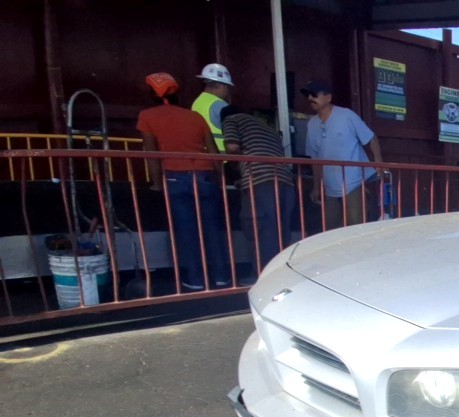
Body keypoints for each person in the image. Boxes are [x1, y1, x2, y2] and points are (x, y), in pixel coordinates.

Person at [136, 72, 230, 292]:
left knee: (187, 231)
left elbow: (153, 155)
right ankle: (222, 277)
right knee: (213, 229)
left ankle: (196, 280)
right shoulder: (195, 117)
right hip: (205, 177)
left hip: (176, 178)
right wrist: (221, 180)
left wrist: (157, 184)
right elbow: (213, 152)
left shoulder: (147, 116)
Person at [222, 106, 296, 274]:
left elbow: (232, 148)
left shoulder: (231, 119)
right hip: (285, 182)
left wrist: (240, 164)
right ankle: (284, 276)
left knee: (261, 232)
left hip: (261, 182)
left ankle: (264, 280)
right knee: (281, 233)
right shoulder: (269, 130)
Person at [302, 79, 383, 228]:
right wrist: (316, 186)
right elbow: (315, 158)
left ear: (328, 97)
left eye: (314, 94)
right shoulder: (312, 124)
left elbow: (371, 138)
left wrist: (378, 163)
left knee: (356, 226)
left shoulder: (346, 116)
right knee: (331, 228)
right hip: (329, 184)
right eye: (308, 95)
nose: (310, 99)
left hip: (353, 182)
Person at [191, 63, 233, 152]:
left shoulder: (197, 102)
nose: (227, 91)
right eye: (227, 87)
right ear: (219, 85)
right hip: (223, 160)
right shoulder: (220, 105)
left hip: (204, 157)